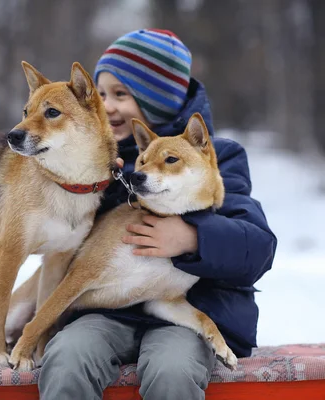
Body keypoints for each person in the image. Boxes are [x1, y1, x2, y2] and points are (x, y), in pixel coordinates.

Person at [37, 29, 277, 400]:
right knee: (68, 358)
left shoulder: (219, 156)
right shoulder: (97, 160)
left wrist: (194, 237)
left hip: (191, 313)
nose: (107, 105)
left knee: (173, 371)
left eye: (122, 94)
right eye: (100, 94)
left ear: (160, 100)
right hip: (107, 311)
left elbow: (257, 246)